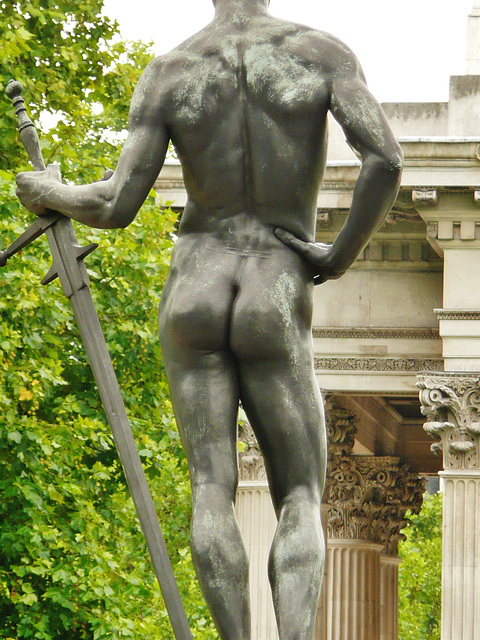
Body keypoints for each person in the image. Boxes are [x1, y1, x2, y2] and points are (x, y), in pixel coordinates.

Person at [15, 0, 403, 638]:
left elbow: (114, 203)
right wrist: (336, 257)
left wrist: (47, 191)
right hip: (274, 285)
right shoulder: (319, 53)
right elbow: (384, 161)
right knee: (302, 495)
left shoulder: (172, 70)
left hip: (194, 286)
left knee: (210, 490)